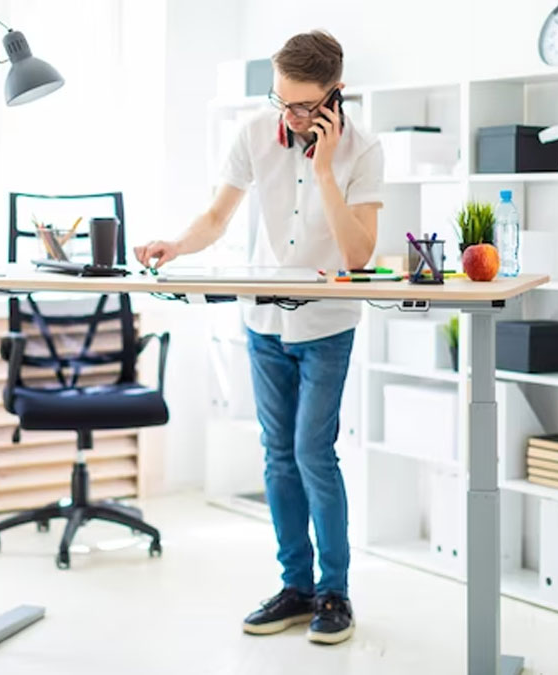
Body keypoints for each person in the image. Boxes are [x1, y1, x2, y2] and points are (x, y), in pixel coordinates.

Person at [136, 30, 384, 645]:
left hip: (326, 326)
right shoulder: (252, 134)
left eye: (304, 105)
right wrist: (176, 244)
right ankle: (296, 587)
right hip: (264, 322)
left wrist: (323, 169)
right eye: (281, 101)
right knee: (277, 454)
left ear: (335, 94)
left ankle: (334, 592)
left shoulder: (364, 150)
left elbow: (357, 254)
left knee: (312, 453)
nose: (290, 116)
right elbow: (217, 217)